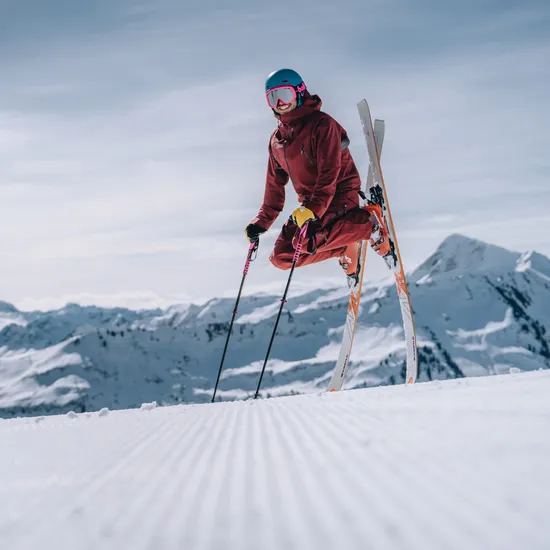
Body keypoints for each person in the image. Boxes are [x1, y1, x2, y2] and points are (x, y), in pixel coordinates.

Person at [245, 68, 390, 281]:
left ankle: (370, 223)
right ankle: (344, 247)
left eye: (284, 95)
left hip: (340, 194)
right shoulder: (277, 141)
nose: (279, 104)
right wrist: (261, 223)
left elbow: (329, 175)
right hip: (311, 206)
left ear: (299, 92)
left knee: (304, 242)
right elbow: (274, 187)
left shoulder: (322, 125)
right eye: (272, 98)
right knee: (282, 257)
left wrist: (313, 209)